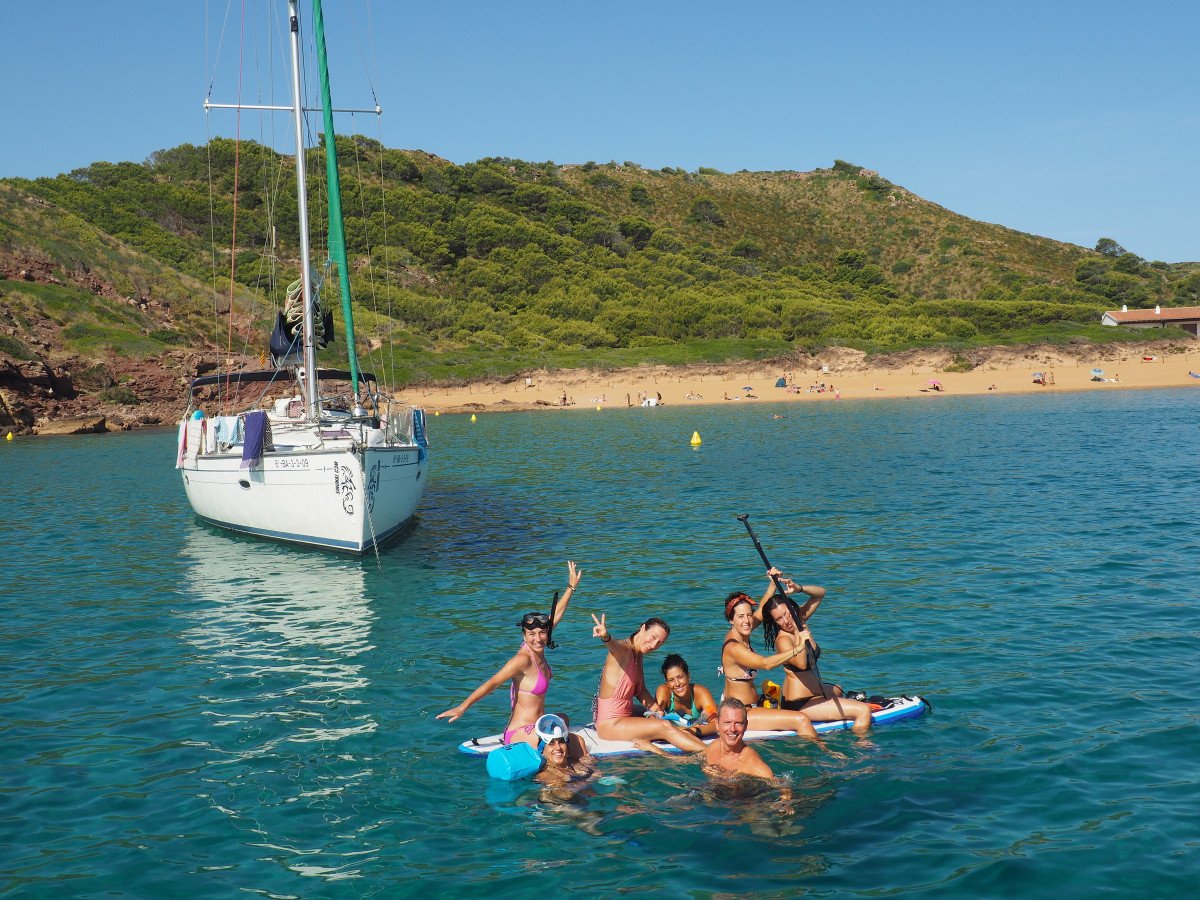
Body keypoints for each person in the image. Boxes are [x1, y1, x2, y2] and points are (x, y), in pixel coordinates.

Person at [438, 562, 584, 756]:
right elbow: (493, 683)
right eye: (531, 634)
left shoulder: (539, 646)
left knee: (563, 718)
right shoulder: (522, 660)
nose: (537, 638)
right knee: (574, 743)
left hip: (537, 725)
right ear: (524, 636)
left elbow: (556, 614)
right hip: (520, 733)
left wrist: (571, 587)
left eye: (542, 633)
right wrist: (462, 708)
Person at [590, 612, 707, 754]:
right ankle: (707, 752)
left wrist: (657, 710)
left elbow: (641, 691)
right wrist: (605, 637)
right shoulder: (624, 649)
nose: (653, 645)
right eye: (653, 638)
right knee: (663, 725)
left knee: (661, 716)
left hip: (624, 712)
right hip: (609, 723)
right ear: (643, 628)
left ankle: (688, 736)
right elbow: (615, 646)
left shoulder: (637, 654)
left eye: (659, 643)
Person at [720, 579, 820, 740]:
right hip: (740, 712)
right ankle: (825, 756)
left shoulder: (744, 631)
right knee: (801, 720)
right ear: (731, 620)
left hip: (754, 704)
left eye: (748, 615)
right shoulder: (733, 647)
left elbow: (761, 610)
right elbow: (766, 664)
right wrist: (798, 648)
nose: (746, 621)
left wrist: (773, 583)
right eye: (740, 616)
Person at [761, 588, 872, 733]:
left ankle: (840, 705)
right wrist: (797, 632)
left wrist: (799, 588)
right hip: (801, 703)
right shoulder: (783, 640)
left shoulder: (800, 620)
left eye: (787, 613)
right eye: (779, 619)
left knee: (837, 689)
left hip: (815, 693)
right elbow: (802, 664)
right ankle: (862, 750)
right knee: (863, 710)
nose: (786, 620)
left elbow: (820, 594)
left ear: (792, 608)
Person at [702, 698, 777, 782]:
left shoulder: (750, 762)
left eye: (738, 723)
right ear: (717, 724)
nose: (732, 729)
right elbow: (697, 758)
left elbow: (781, 785)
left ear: (745, 726)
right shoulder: (714, 746)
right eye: (727, 722)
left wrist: (721, 777)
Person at [655, 654, 718, 738]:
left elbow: (716, 724)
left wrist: (693, 731)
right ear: (667, 683)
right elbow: (654, 720)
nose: (677, 684)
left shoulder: (700, 693)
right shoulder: (664, 691)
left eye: (680, 677)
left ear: (688, 676)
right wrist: (683, 730)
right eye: (671, 680)